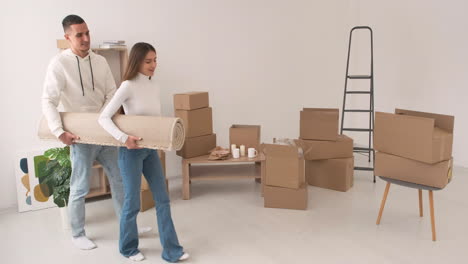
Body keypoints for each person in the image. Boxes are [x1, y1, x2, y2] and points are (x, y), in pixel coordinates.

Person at [99, 42, 189, 262]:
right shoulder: (128, 86)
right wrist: (123, 138)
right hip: (130, 152)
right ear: (137, 61)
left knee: (163, 199)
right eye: (148, 61)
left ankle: (172, 251)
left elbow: (153, 120)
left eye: (155, 60)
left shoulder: (154, 85)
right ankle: (128, 249)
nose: (153, 65)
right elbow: (103, 117)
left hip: (150, 150)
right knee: (132, 203)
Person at [41, 14, 125, 250]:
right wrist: (59, 132)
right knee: (80, 186)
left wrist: (108, 119)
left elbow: (111, 93)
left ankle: (126, 224)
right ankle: (77, 233)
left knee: (119, 180)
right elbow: (48, 100)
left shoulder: (100, 62)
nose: (86, 38)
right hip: (79, 135)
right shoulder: (59, 64)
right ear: (67, 37)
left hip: (106, 132)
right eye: (79, 35)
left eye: (87, 33)